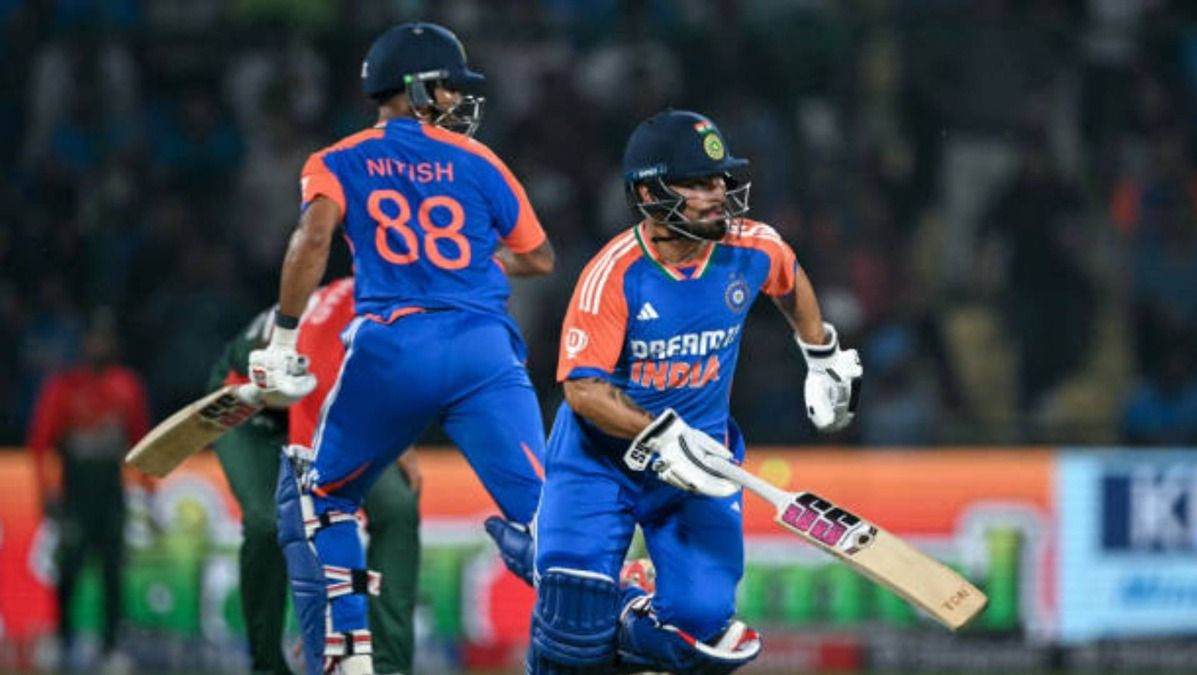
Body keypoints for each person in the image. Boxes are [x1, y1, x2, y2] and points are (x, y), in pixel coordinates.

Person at [248, 22, 554, 675]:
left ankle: (348, 652)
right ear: (416, 86)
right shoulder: (481, 161)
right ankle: (600, 648)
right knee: (549, 518)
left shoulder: (337, 158)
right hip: (484, 353)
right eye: (448, 86)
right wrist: (475, 265)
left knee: (321, 495)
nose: (457, 99)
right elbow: (539, 255)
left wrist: (282, 333)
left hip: (393, 349)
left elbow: (311, 239)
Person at [527, 110, 863, 674]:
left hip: (703, 461)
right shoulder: (614, 274)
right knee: (572, 627)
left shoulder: (753, 247)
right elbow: (583, 390)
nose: (719, 194)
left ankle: (630, 609)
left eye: (720, 180)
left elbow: (790, 279)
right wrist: (657, 435)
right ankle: (594, 611)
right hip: (598, 462)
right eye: (699, 183)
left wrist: (821, 353)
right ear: (648, 191)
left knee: (702, 631)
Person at [209, 277, 421, 675]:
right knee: (268, 523)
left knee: (396, 506)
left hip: (327, 411)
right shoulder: (325, 333)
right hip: (250, 408)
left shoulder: (405, 304)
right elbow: (314, 498)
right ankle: (268, 665)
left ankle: (389, 665)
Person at [26, 310, 150, 673]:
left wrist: (148, 490)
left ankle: (110, 646)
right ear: (84, 344)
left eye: (106, 339)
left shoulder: (127, 386)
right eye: (94, 339)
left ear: (114, 345)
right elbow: (39, 444)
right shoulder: (63, 387)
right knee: (70, 567)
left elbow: (140, 442)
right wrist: (46, 491)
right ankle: (63, 639)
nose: (100, 345)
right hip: (75, 490)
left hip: (110, 489)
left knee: (113, 570)